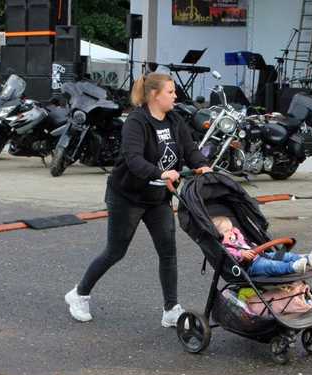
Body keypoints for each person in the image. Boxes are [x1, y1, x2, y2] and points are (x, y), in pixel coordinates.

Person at [64, 73, 212, 327]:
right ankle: (79, 294)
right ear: (154, 95)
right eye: (170, 91)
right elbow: (134, 160)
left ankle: (171, 309)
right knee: (115, 251)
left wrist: (202, 166)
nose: (175, 96)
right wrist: (160, 173)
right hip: (127, 196)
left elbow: (190, 150)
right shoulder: (136, 121)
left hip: (158, 198)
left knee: (168, 251)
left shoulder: (175, 120)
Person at [212, 216, 312, 276]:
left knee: (283, 255)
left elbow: (242, 238)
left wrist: (235, 233)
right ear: (219, 235)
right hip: (250, 267)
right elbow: (233, 254)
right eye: (226, 231)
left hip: (261, 255)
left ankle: (308, 259)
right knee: (272, 265)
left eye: (232, 229)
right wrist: (242, 254)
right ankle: (294, 267)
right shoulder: (226, 247)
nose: (231, 232)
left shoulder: (237, 237)